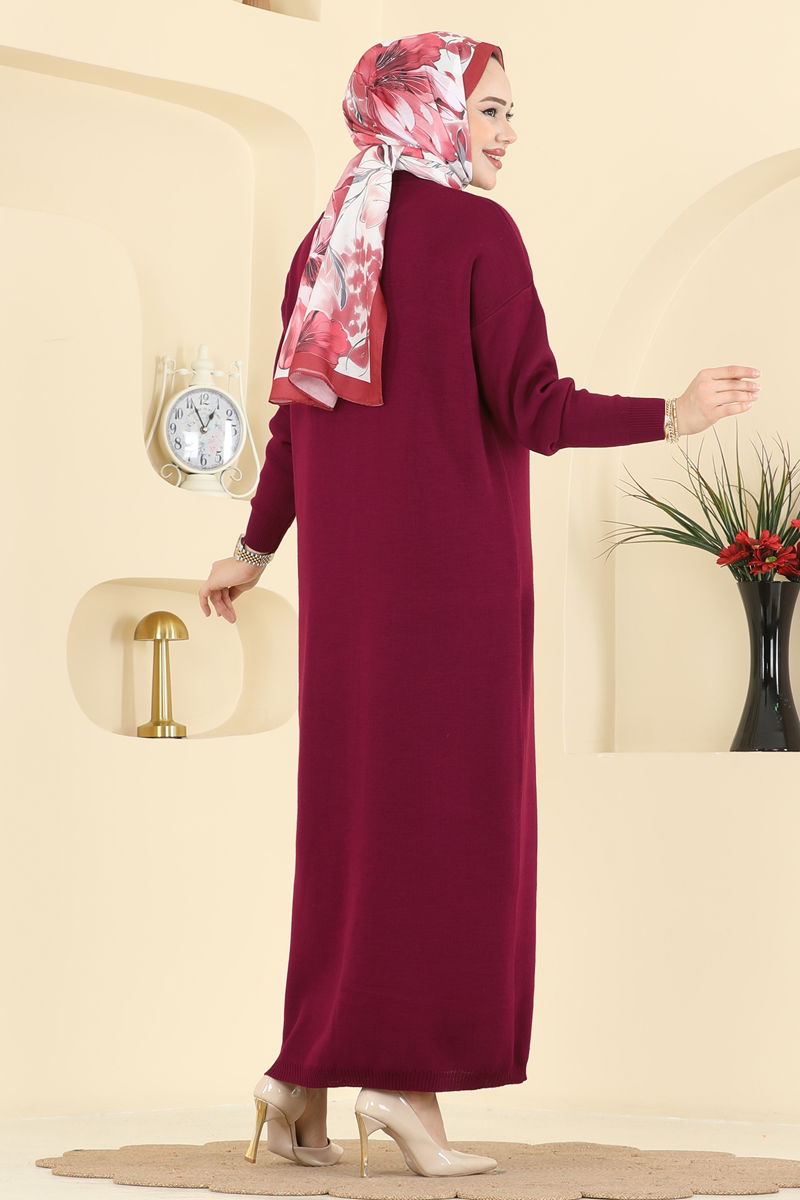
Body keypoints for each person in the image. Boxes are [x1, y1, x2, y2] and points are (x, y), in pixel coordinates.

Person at [198, 31, 760, 1179]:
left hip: (349, 607)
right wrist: (673, 413)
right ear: (427, 111)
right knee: (447, 833)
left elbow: (296, 421)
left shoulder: (328, 241)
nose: (506, 133)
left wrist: (252, 549)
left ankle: (297, 1081)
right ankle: (402, 1093)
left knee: (355, 832)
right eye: (488, 109)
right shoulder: (474, 235)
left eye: (508, 113)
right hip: (452, 594)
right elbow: (534, 407)